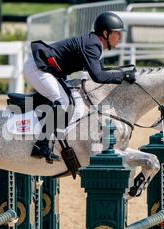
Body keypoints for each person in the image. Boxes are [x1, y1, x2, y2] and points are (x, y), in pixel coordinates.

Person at [24, 11, 136, 163]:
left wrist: (122, 72)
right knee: (63, 102)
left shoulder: (96, 44)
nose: (120, 37)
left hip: (53, 70)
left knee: (74, 99)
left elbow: (100, 71)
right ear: (105, 33)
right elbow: (98, 77)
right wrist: (123, 76)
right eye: (117, 33)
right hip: (39, 68)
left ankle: (57, 138)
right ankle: (41, 145)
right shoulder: (93, 45)